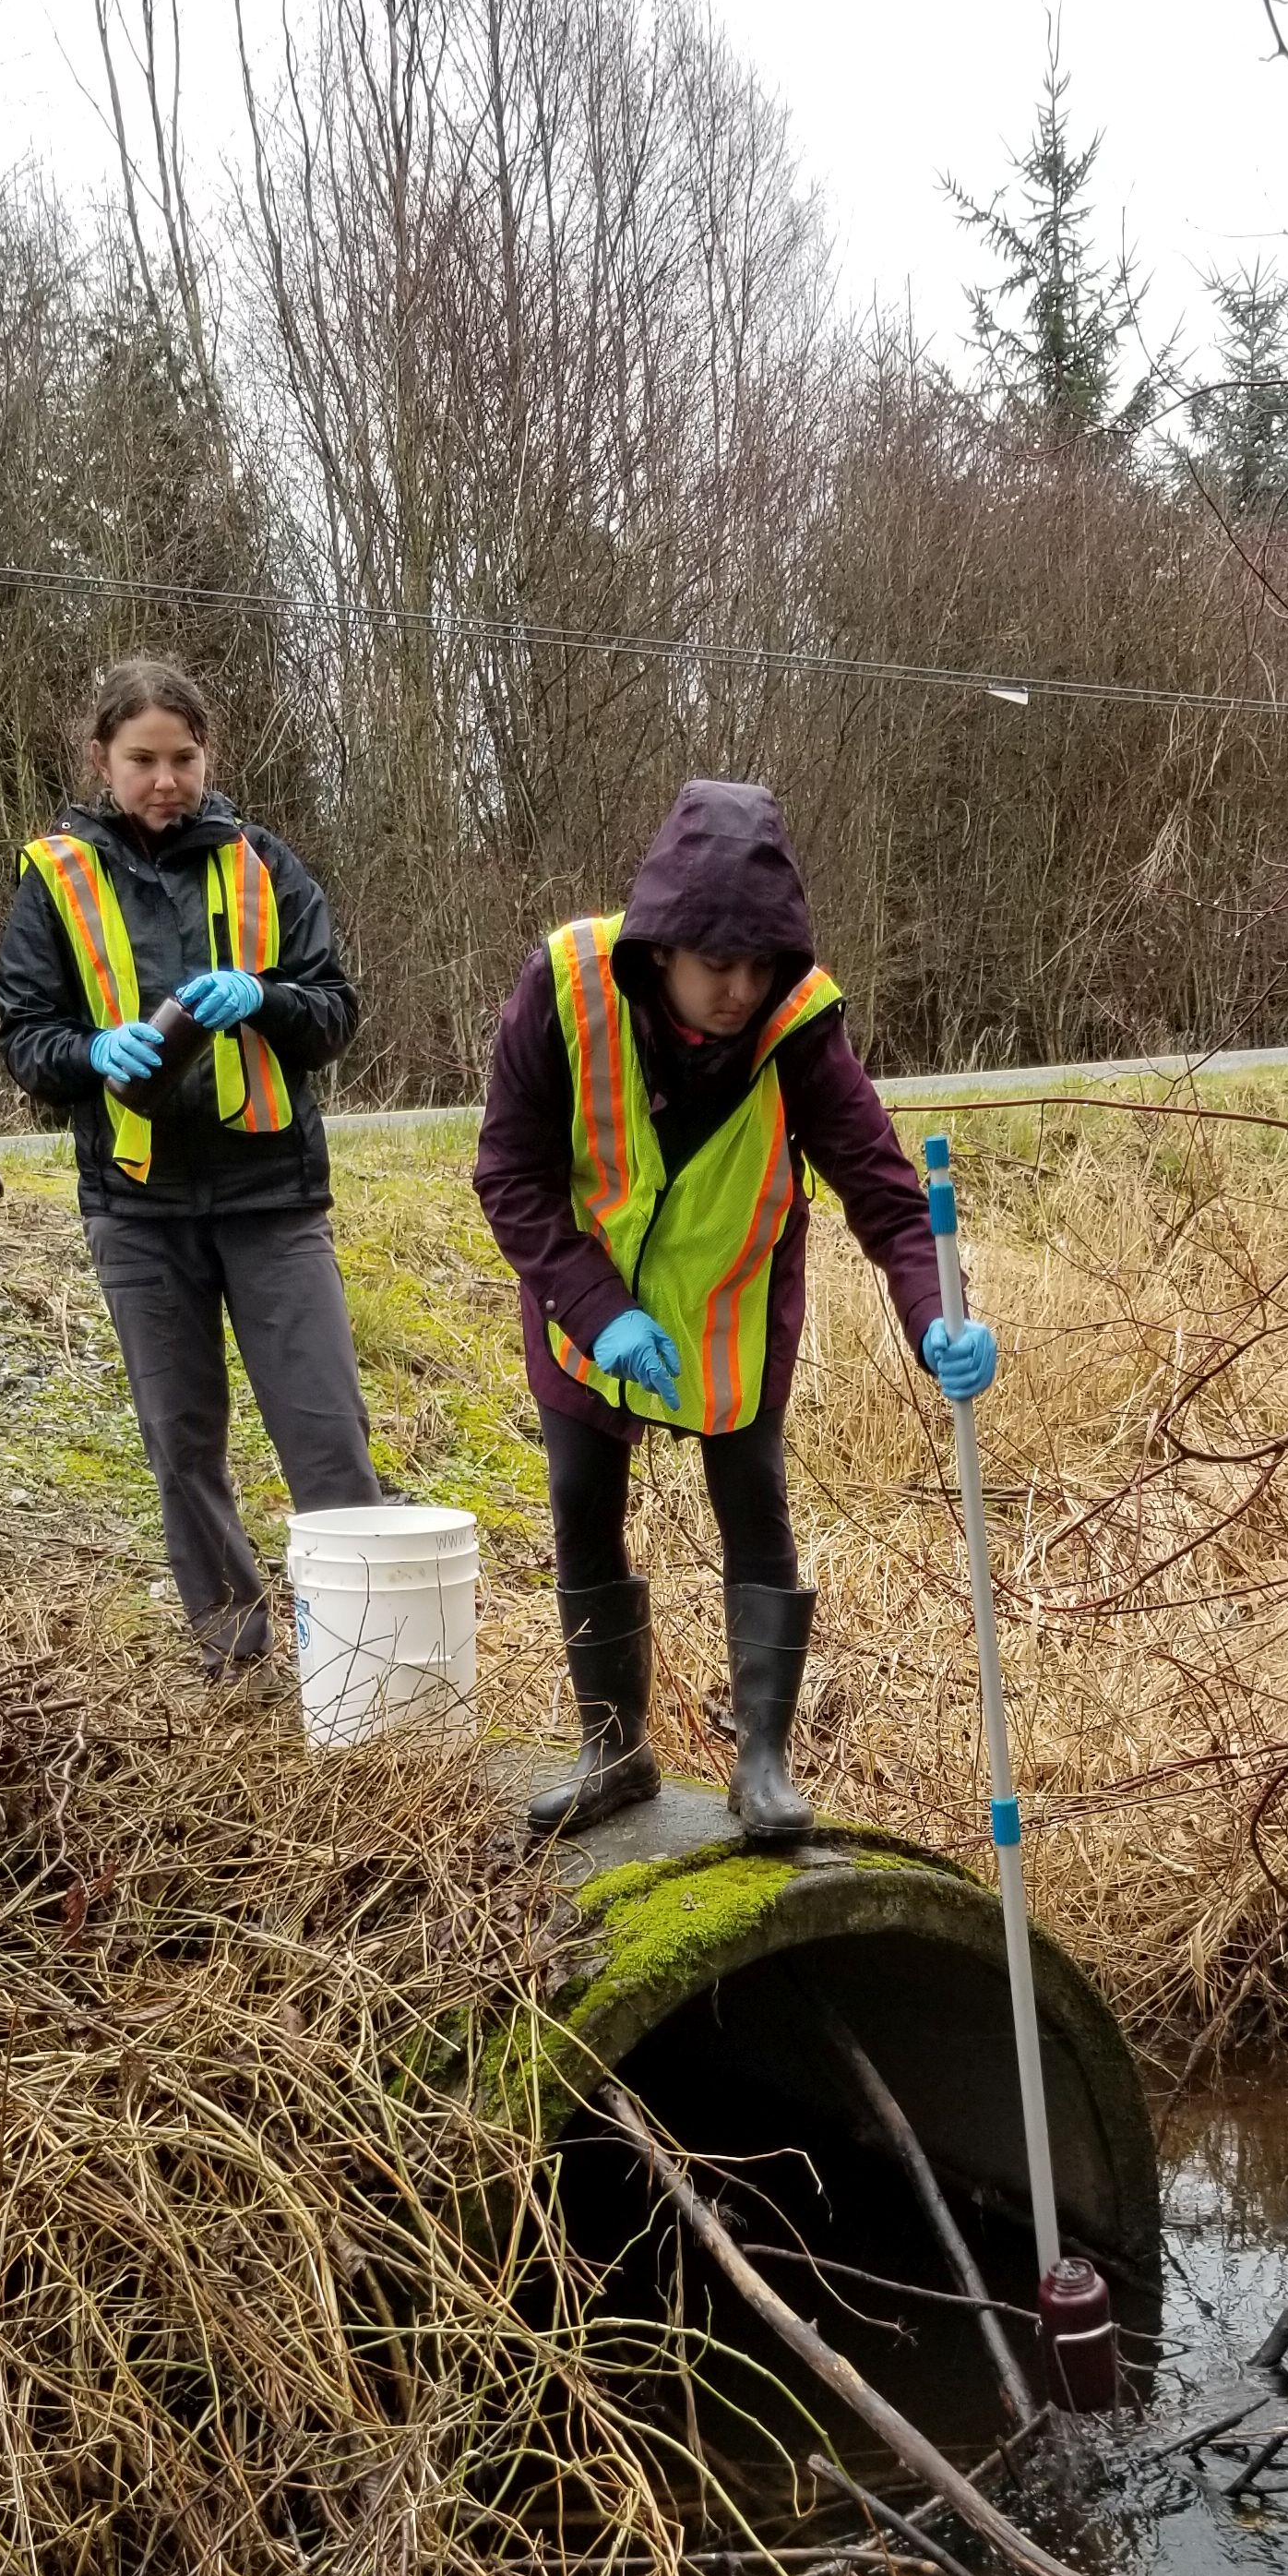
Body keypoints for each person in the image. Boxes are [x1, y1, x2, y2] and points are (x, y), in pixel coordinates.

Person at [474, 778, 997, 1841]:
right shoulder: (565, 986)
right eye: (719, 965)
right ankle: (612, 1752)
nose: (741, 989)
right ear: (661, 947)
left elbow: (885, 1192)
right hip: (589, 1311)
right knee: (581, 1503)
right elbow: (509, 1174)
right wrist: (596, 1306)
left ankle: (762, 1766)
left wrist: (938, 1310)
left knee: (753, 1506)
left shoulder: (799, 1024)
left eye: (762, 966)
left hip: (734, 1309)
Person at [0, 656, 385, 1677]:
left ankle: (366, 1654)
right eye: (142, 760)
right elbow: (27, 1039)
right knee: (182, 1442)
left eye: (183, 757)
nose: (165, 779)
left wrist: (267, 998)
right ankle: (235, 1659)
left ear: (209, 755)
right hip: (137, 1210)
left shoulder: (265, 865)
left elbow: (334, 1011)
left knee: (326, 1433)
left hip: (274, 1201)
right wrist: (90, 1053)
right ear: (101, 760)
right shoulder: (55, 877)